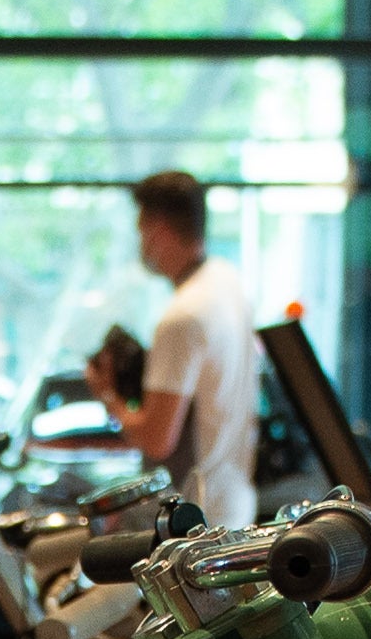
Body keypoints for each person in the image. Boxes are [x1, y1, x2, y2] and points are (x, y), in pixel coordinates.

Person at [87, 168, 257, 529]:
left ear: (159, 231)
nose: (141, 244)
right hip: (235, 503)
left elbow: (156, 439)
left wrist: (107, 394)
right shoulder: (227, 283)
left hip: (196, 521)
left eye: (141, 231)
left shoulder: (182, 317)